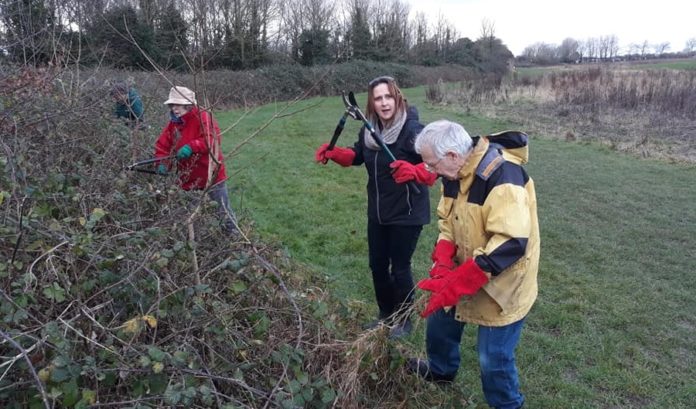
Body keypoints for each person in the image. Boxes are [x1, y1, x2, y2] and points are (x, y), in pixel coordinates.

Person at [408, 120, 539, 409]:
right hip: (465, 266)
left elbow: (511, 242)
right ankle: (440, 370)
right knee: (440, 326)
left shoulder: (503, 176)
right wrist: (443, 262)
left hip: (504, 283)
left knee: (493, 359)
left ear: (453, 155)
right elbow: (447, 222)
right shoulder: (454, 173)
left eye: (432, 164)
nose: (429, 171)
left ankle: (507, 404)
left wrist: (459, 281)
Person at [314, 76, 438, 339]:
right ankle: (386, 314)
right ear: (371, 103)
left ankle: (404, 320)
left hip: (407, 212)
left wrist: (415, 170)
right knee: (377, 265)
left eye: (388, 97)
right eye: (378, 98)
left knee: (400, 267)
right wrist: (335, 154)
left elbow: (434, 166)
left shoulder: (413, 130)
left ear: (397, 98)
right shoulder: (370, 132)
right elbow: (358, 155)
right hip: (379, 212)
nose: (384, 103)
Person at [153, 86, 238, 236]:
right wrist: (162, 163)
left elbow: (212, 140)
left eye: (178, 105)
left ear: (188, 104)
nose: (175, 109)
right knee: (188, 214)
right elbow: (162, 146)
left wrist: (192, 147)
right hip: (188, 178)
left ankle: (234, 239)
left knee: (223, 211)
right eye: (172, 105)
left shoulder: (204, 116)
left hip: (211, 175)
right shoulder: (174, 124)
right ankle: (196, 240)